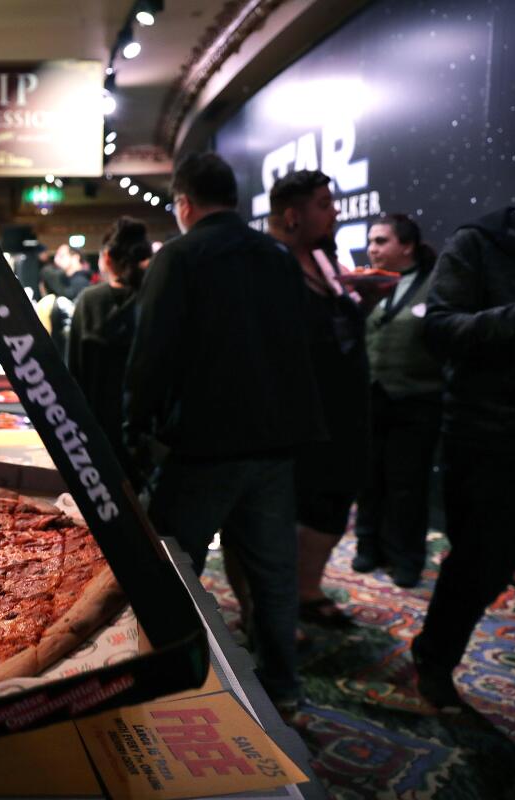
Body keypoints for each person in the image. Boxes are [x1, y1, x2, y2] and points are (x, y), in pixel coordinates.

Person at [124, 152, 324, 713]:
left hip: (204, 447)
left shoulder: (180, 257)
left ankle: (157, 679)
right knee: (274, 577)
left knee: (167, 569)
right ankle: (284, 691)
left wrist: (134, 429)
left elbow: (151, 358)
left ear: (184, 204)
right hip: (275, 444)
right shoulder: (279, 258)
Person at [411, 120, 515, 769]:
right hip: (491, 441)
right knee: (477, 568)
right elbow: (439, 329)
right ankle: (433, 664)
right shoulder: (483, 240)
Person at [268, 170, 370, 629]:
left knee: (332, 500)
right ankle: (279, 605)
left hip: (341, 411)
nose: (335, 213)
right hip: (296, 414)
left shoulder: (324, 257)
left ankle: (306, 591)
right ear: (293, 214)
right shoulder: (271, 263)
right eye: (325, 205)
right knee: (290, 508)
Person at [351, 214, 443, 587]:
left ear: (406, 246)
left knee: (408, 485)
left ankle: (406, 557)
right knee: (369, 478)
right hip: (371, 399)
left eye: (381, 241)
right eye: (371, 240)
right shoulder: (362, 284)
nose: (372, 248)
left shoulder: (437, 284)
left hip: (416, 401)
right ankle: (368, 546)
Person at [67, 216, 150, 479]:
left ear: (107, 258)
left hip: (97, 430)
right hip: (147, 430)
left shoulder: (89, 301)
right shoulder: (154, 299)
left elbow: (74, 372)